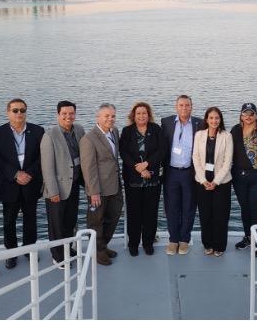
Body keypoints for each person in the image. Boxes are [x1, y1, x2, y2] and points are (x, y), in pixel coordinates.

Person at [0, 98, 45, 269]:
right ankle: (11, 253)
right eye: (15, 110)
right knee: (9, 221)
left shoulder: (38, 131)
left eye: (22, 110)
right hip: (9, 184)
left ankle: (29, 250)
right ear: (8, 112)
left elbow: (42, 157)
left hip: (31, 182)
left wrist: (29, 173)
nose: (19, 113)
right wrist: (15, 174)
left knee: (30, 220)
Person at [40, 100, 85, 267]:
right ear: (58, 115)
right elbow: (47, 167)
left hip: (74, 185)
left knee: (69, 222)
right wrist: (53, 192)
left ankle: (67, 249)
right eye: (64, 113)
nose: (68, 116)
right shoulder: (49, 136)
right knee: (56, 225)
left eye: (71, 113)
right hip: (57, 189)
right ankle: (58, 256)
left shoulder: (79, 130)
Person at [119, 102, 166, 256]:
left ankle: (148, 243)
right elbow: (123, 152)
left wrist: (146, 164)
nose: (141, 116)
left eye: (144, 113)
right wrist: (138, 168)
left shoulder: (156, 129)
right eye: (138, 113)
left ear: (148, 114)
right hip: (133, 179)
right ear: (133, 115)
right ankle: (133, 243)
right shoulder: (127, 131)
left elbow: (162, 150)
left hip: (152, 178)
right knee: (134, 213)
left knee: (150, 213)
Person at [80, 103, 124, 266]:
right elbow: (88, 168)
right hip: (98, 189)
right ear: (98, 117)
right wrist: (94, 192)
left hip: (115, 185)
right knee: (96, 221)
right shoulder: (89, 139)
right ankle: (97, 251)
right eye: (106, 116)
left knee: (113, 216)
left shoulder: (114, 132)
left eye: (113, 116)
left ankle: (103, 246)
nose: (110, 119)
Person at [161, 95, 203, 255]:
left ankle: (184, 240)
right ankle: (173, 240)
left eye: (187, 105)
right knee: (171, 208)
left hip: (190, 173)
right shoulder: (166, 122)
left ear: (192, 107)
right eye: (181, 105)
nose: (184, 108)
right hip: (171, 172)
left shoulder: (200, 123)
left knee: (189, 208)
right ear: (176, 107)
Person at [192, 107, 233, 257]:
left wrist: (215, 182)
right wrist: (203, 180)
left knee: (220, 216)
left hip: (222, 183)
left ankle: (219, 246)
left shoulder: (227, 136)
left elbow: (227, 162)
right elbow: (195, 158)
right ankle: (208, 244)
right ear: (206, 119)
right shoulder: (199, 135)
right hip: (202, 182)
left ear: (220, 119)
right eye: (211, 118)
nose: (214, 121)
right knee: (205, 215)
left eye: (217, 118)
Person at [230, 103, 257, 252]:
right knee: (245, 209)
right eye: (245, 113)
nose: (248, 116)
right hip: (239, 177)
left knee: (256, 210)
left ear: (256, 115)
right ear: (241, 116)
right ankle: (248, 237)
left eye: (251, 114)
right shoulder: (235, 130)